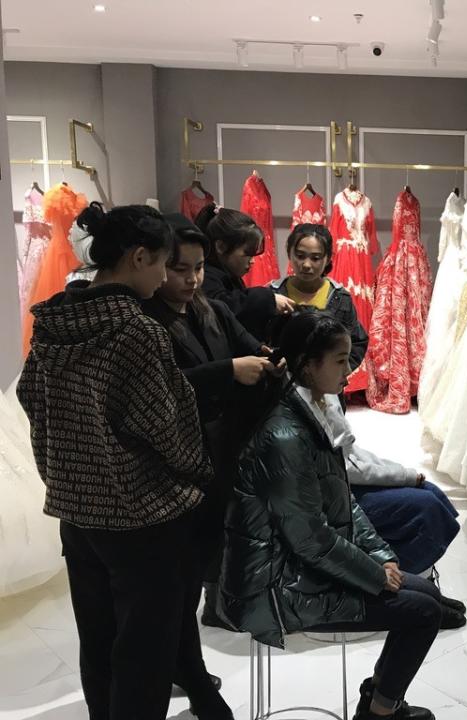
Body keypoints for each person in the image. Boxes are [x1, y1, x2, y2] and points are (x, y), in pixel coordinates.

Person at [17, 202, 229, 720]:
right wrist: (202, 472)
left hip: (76, 509)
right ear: (138, 258)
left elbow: (28, 395)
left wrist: (76, 450)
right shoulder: (136, 331)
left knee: (98, 641)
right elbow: (164, 426)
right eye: (162, 263)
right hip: (140, 516)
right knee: (145, 655)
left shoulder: (55, 321)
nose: (164, 276)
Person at [221, 309, 439, 720]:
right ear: (308, 364)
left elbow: (342, 500)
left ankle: (378, 696)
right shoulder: (286, 434)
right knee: (423, 613)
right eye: (340, 360)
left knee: (428, 597)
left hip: (297, 562)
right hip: (273, 583)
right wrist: (374, 574)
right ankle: (380, 710)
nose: (350, 369)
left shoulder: (311, 410)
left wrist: (380, 555)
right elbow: (308, 537)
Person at [142, 213, 279, 640]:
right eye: (179, 269)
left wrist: (274, 358)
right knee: (191, 542)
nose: (192, 279)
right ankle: (194, 622)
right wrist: (229, 371)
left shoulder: (213, 308)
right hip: (180, 449)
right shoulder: (147, 323)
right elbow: (162, 385)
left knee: (225, 523)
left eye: (198, 268)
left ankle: (220, 603)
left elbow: (251, 347)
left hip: (226, 439)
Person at [304, 385, 466, 629]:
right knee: (425, 508)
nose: (348, 369)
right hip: (325, 503)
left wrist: (401, 472)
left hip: (340, 489)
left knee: (431, 494)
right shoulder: (297, 410)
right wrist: (402, 476)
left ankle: (416, 587)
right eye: (340, 360)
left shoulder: (323, 393)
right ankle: (401, 594)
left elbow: (349, 454)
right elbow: (341, 473)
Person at [271, 222, 368, 377]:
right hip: (280, 388)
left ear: (328, 258)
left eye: (315, 258)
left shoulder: (340, 298)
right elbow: (256, 342)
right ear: (289, 253)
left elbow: (358, 341)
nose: (306, 265)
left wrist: (337, 370)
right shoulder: (273, 294)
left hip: (327, 391)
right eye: (300, 256)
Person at [196, 205, 296, 341]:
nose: (252, 261)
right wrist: (268, 299)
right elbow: (223, 307)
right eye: (247, 254)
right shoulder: (207, 278)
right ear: (221, 247)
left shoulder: (229, 276)